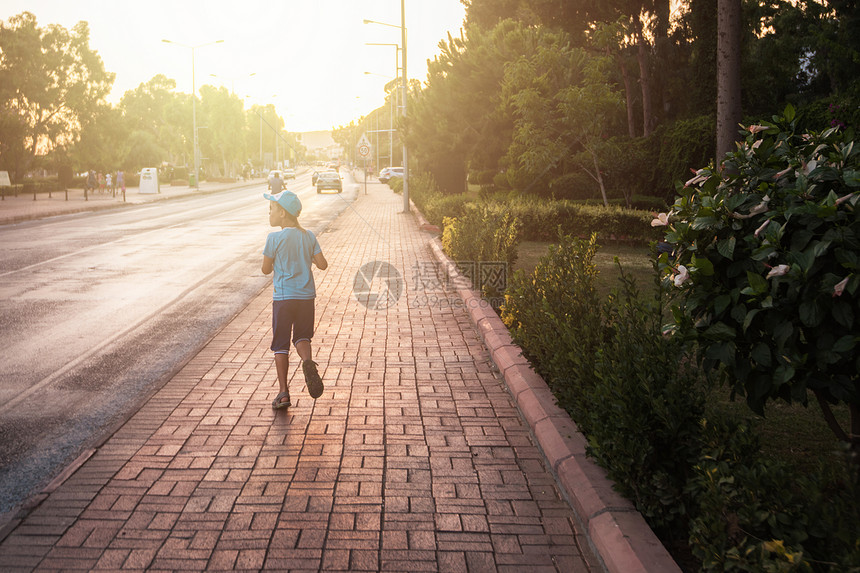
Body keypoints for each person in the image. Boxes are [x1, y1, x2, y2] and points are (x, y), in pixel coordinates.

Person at [261, 190, 328, 409]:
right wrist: (306, 256)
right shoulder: (308, 236)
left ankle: (283, 393)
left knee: (280, 345)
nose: (269, 212)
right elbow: (322, 264)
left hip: (283, 298)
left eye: (271, 209)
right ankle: (307, 363)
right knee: (302, 337)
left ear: (282, 213)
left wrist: (274, 262)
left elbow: (265, 269)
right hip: (306, 297)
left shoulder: (274, 238)